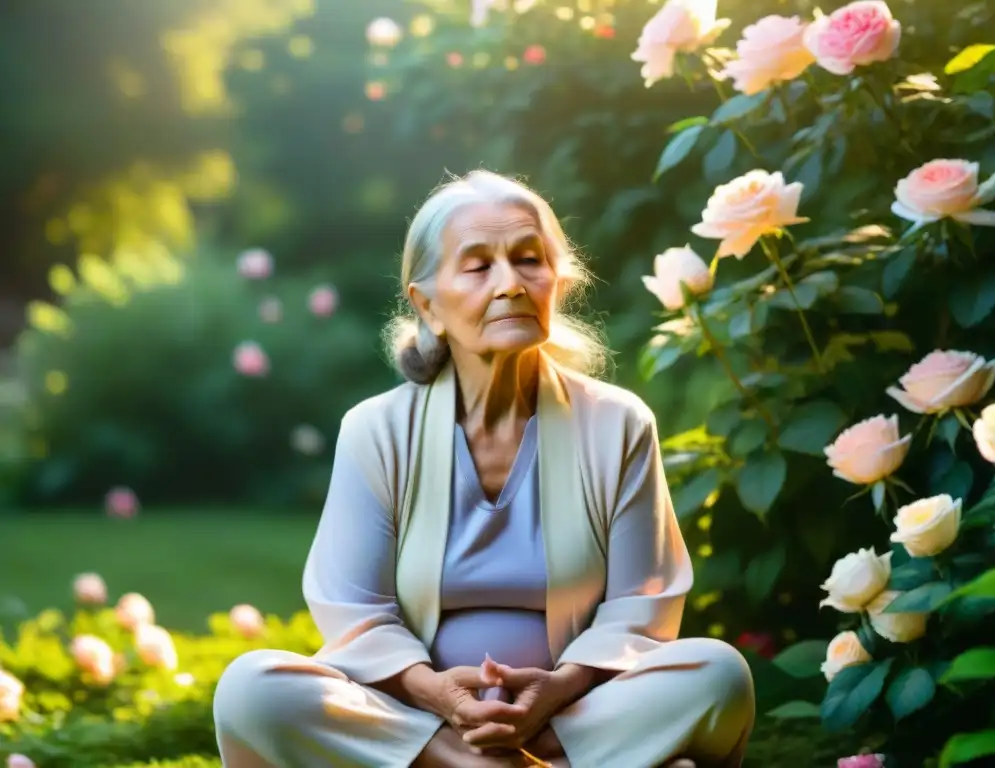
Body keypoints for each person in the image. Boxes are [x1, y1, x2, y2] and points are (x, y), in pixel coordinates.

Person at [212, 170, 755, 768]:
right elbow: (355, 614)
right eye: (477, 266)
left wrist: (555, 692)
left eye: (529, 260)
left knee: (717, 675)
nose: (512, 284)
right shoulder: (377, 430)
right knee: (252, 689)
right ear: (427, 304)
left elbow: (640, 609)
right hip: (418, 719)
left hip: (572, 713)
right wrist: (438, 695)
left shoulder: (618, 423)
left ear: (557, 283)